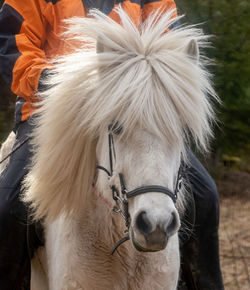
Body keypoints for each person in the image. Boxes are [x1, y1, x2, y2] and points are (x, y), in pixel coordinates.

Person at [0, 0, 224, 289]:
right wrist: (61, 87)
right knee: (6, 209)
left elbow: (170, 45)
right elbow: (14, 47)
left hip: (138, 114)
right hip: (51, 113)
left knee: (205, 198)